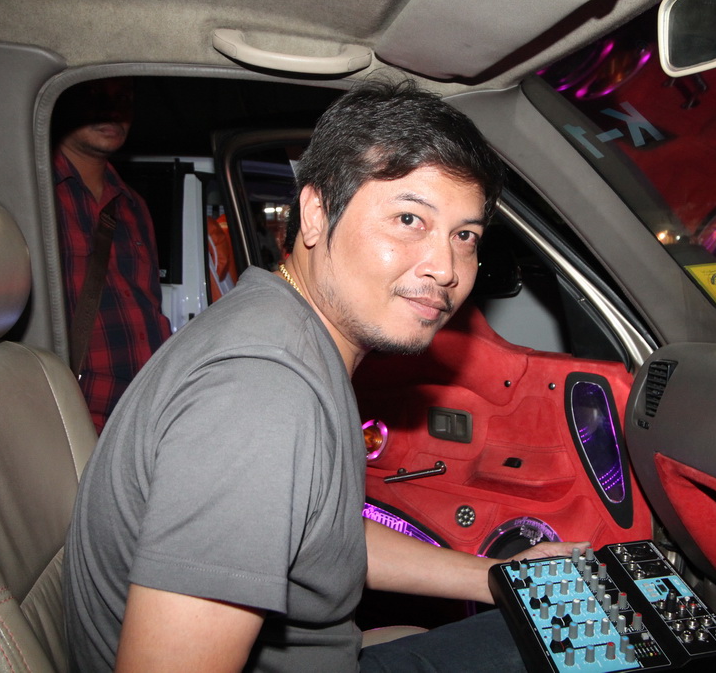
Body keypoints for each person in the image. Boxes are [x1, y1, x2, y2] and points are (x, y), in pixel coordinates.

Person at [63, 79, 589, 672]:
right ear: (315, 215)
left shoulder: (283, 326)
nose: (445, 267)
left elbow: (314, 538)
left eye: (464, 235)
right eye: (409, 218)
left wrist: (496, 578)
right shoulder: (262, 396)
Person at [52, 77, 172, 433]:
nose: (112, 108)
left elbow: (148, 305)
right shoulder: (35, 195)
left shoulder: (133, 205)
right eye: (93, 94)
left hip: (146, 410)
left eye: (123, 96)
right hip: (75, 416)